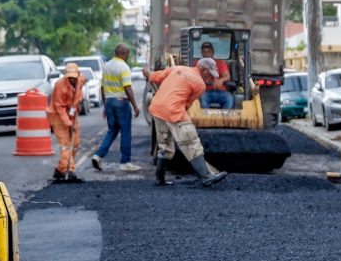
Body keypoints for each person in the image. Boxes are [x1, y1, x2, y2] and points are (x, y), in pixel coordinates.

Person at [143, 64, 228, 188]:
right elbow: (187, 104)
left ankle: (159, 179)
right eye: (210, 75)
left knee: (165, 146)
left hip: (157, 108)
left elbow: (154, 77)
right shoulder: (200, 84)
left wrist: (147, 73)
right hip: (174, 111)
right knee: (191, 142)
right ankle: (206, 176)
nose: (211, 78)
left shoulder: (177, 68)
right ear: (203, 69)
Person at [91, 43, 141, 172]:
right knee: (125, 131)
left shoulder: (107, 66)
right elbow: (127, 88)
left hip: (109, 101)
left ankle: (98, 155)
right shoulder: (124, 67)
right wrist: (135, 106)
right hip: (121, 102)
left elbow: (102, 87)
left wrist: (105, 106)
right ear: (125, 54)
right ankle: (125, 162)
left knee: (112, 131)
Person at [47, 62, 86, 182]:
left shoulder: (80, 81)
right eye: (70, 77)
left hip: (72, 115)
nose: (72, 79)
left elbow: (84, 80)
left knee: (75, 144)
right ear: (66, 75)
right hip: (58, 116)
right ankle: (68, 170)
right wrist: (68, 123)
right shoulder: (60, 85)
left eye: (74, 77)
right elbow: (59, 107)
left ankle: (60, 169)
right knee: (65, 145)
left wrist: (72, 120)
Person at [198, 41, 234, 109]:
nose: (206, 54)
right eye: (204, 52)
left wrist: (221, 80)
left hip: (220, 91)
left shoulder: (220, 63)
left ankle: (226, 118)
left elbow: (227, 76)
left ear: (212, 53)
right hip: (205, 92)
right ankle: (205, 118)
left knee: (229, 98)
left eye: (208, 51)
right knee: (202, 98)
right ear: (202, 53)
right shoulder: (198, 64)